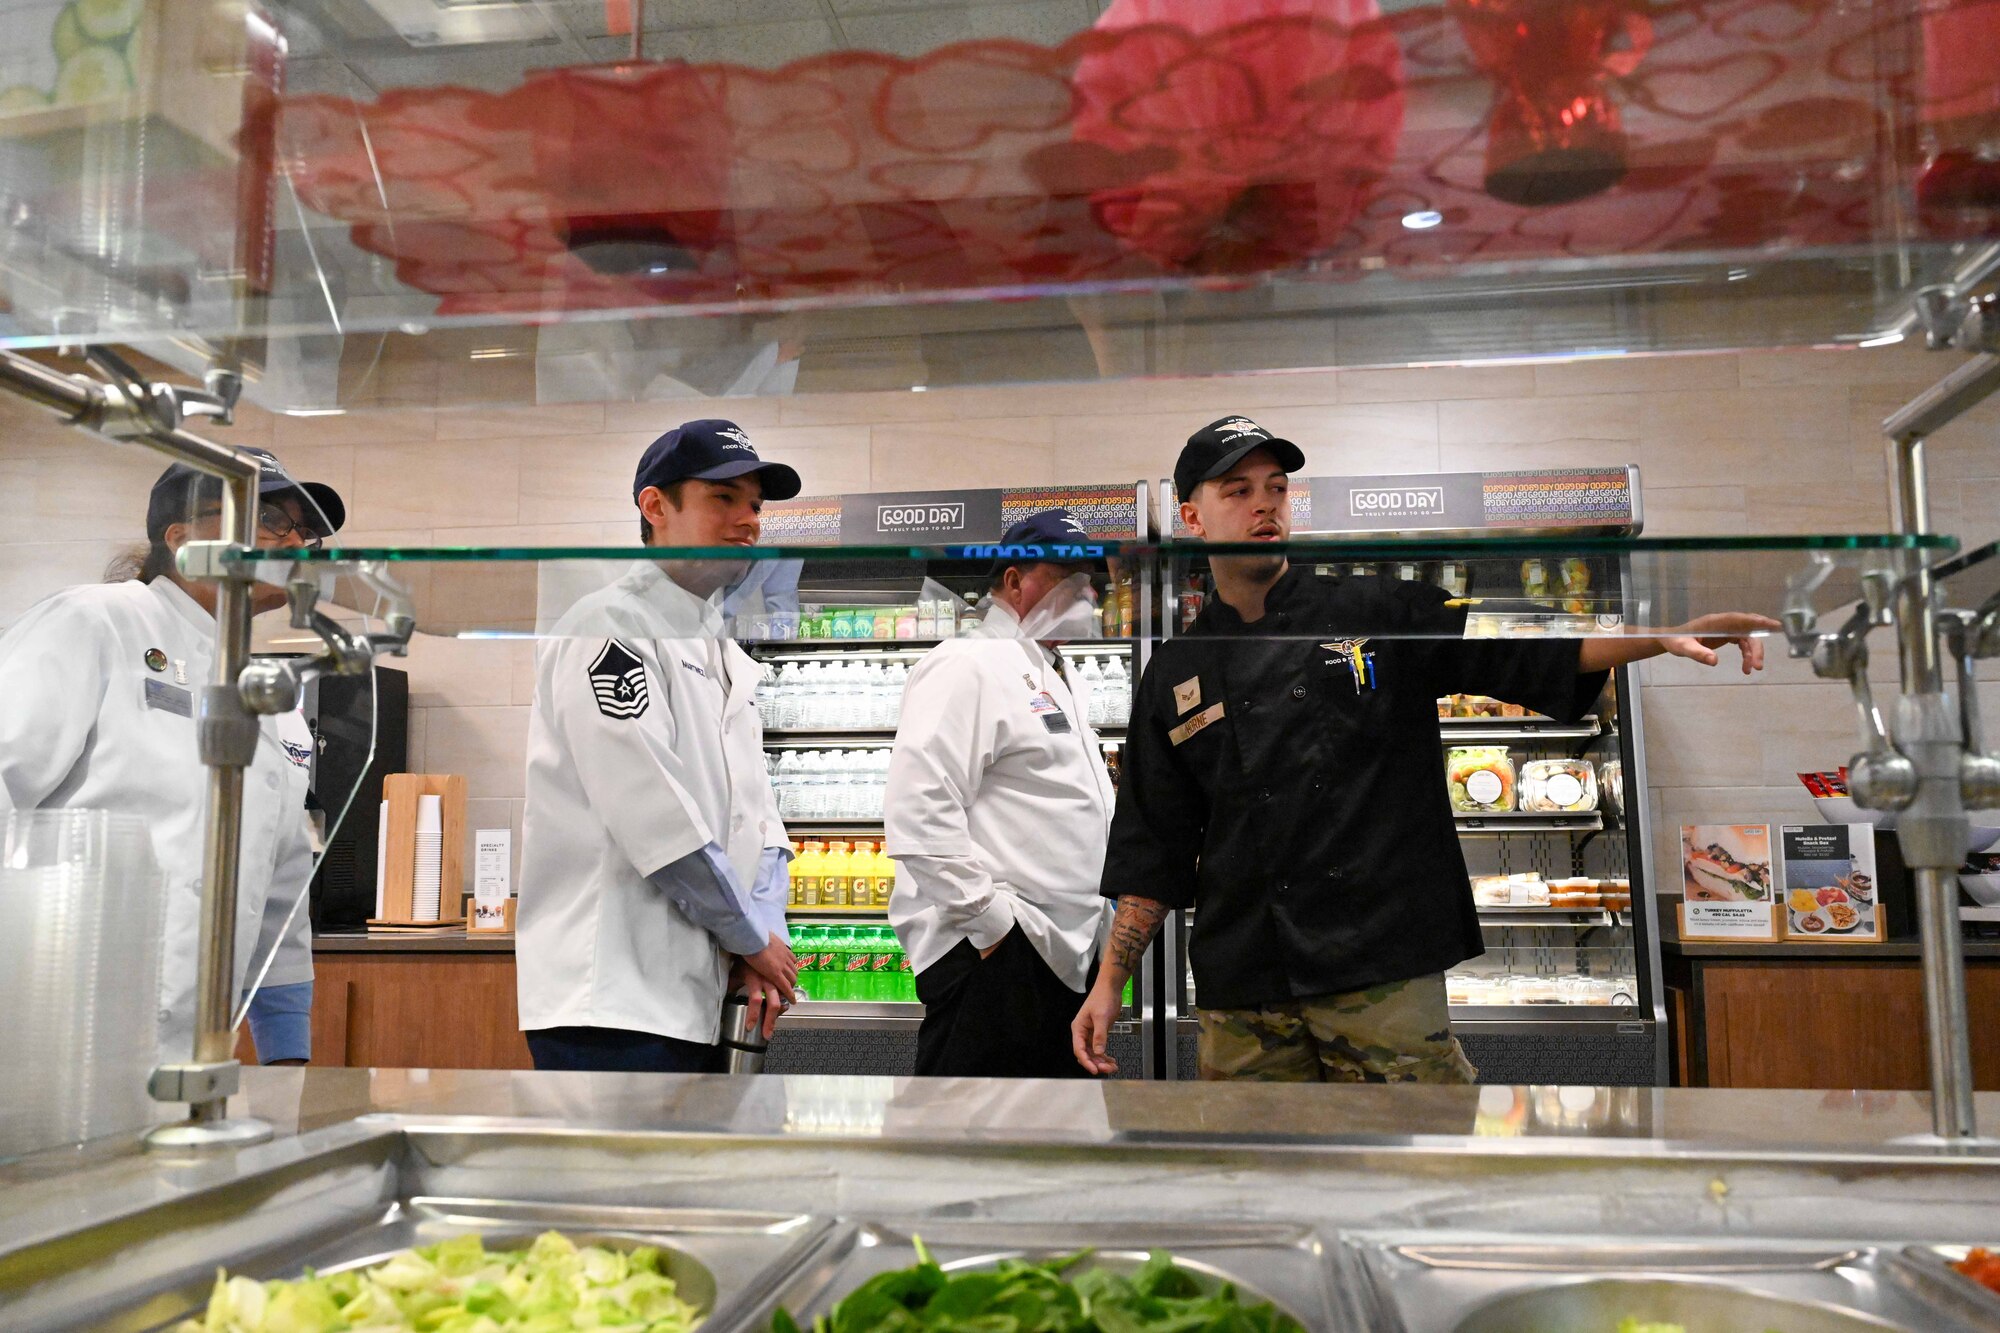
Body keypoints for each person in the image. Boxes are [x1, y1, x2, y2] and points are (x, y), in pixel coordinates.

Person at [1072, 415, 1777, 1082]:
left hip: (1384, 973)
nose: (1265, 506)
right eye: (1239, 490)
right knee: (1255, 1181)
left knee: (1418, 1169)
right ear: (1192, 519)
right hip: (1243, 991)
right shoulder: (1174, 672)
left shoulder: (1378, 611)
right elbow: (1155, 843)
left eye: (1277, 488)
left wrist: (1657, 636)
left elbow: (1519, 656)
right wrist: (1110, 983)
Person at [0, 448, 344, 1065]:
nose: (296, 542)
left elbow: (279, 895)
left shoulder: (270, 699)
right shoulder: (93, 622)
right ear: (183, 537)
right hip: (47, 1027)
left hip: (192, 1056)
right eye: (269, 516)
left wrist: (288, 1063)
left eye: (306, 529)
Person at [517, 419, 805, 1073]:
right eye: (723, 499)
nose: (748, 521)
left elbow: (757, 816)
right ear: (656, 507)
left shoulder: (722, 649)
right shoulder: (608, 627)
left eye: (755, 505)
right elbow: (655, 815)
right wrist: (750, 937)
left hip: (694, 995)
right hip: (611, 1002)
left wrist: (763, 934)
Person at [885, 508, 1116, 1078]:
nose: (1085, 595)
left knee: (1046, 1147)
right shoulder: (969, 663)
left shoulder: (1057, 672)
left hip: (1059, 954)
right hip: (1002, 955)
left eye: (1092, 583)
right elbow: (919, 811)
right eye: (1068, 579)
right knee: (973, 1143)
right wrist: (992, 926)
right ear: (1014, 581)